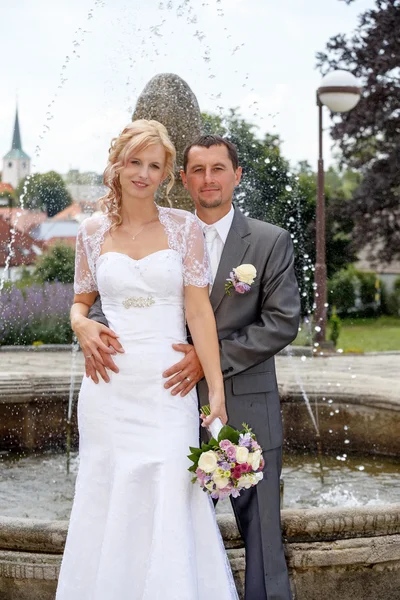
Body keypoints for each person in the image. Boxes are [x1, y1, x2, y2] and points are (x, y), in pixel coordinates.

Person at [87, 134, 301, 599]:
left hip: (243, 403)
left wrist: (210, 364)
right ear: (182, 179)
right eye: (197, 170)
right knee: (163, 525)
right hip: (155, 402)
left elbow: (283, 322)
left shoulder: (268, 241)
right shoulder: (155, 231)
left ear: (237, 175)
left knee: (263, 538)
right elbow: (113, 298)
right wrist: (87, 326)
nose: (208, 179)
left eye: (218, 168)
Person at [56, 121, 239, 600]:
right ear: (116, 164)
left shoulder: (184, 229)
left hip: (168, 388)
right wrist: (80, 323)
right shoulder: (91, 232)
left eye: (153, 165)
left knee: (169, 491)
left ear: (166, 175)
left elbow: (198, 311)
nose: (142, 173)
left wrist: (215, 388)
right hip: (109, 388)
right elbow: (80, 302)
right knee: (107, 492)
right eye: (134, 161)